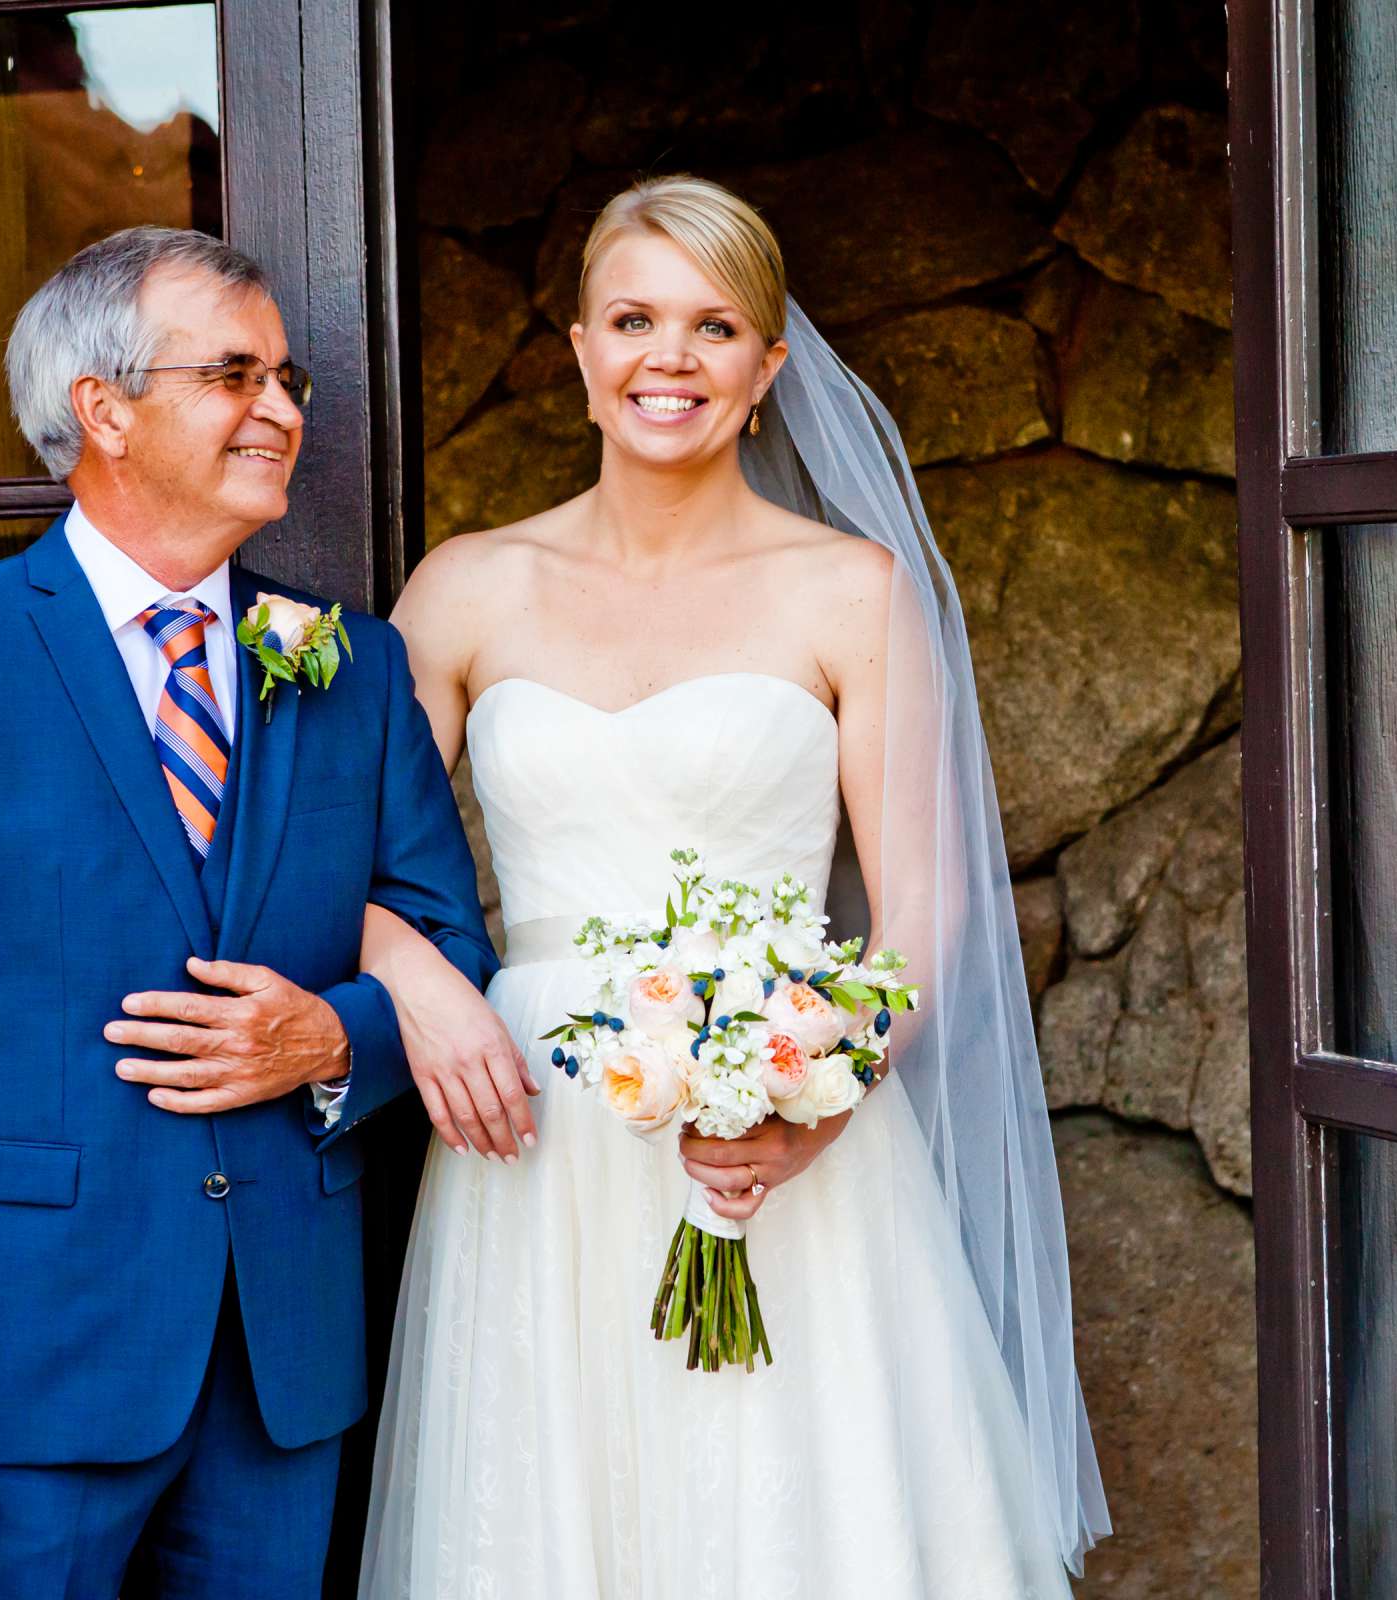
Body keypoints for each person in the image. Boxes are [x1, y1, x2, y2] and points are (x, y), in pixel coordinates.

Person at [354, 177, 1108, 1597]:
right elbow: (330, 857)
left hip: (789, 1144)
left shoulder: (852, 591)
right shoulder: (465, 587)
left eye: (714, 327)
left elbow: (922, 914)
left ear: (768, 368)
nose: (670, 358)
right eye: (634, 318)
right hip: (535, 1147)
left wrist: (813, 1107)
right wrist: (420, 982)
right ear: (579, 348)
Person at [0, 225, 494, 1597]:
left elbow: (446, 943)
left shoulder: (350, 663)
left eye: (286, 378)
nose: (282, 410)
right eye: (235, 376)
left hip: (280, 1365)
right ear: (103, 408)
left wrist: (336, 1040)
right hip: (15, 1375)